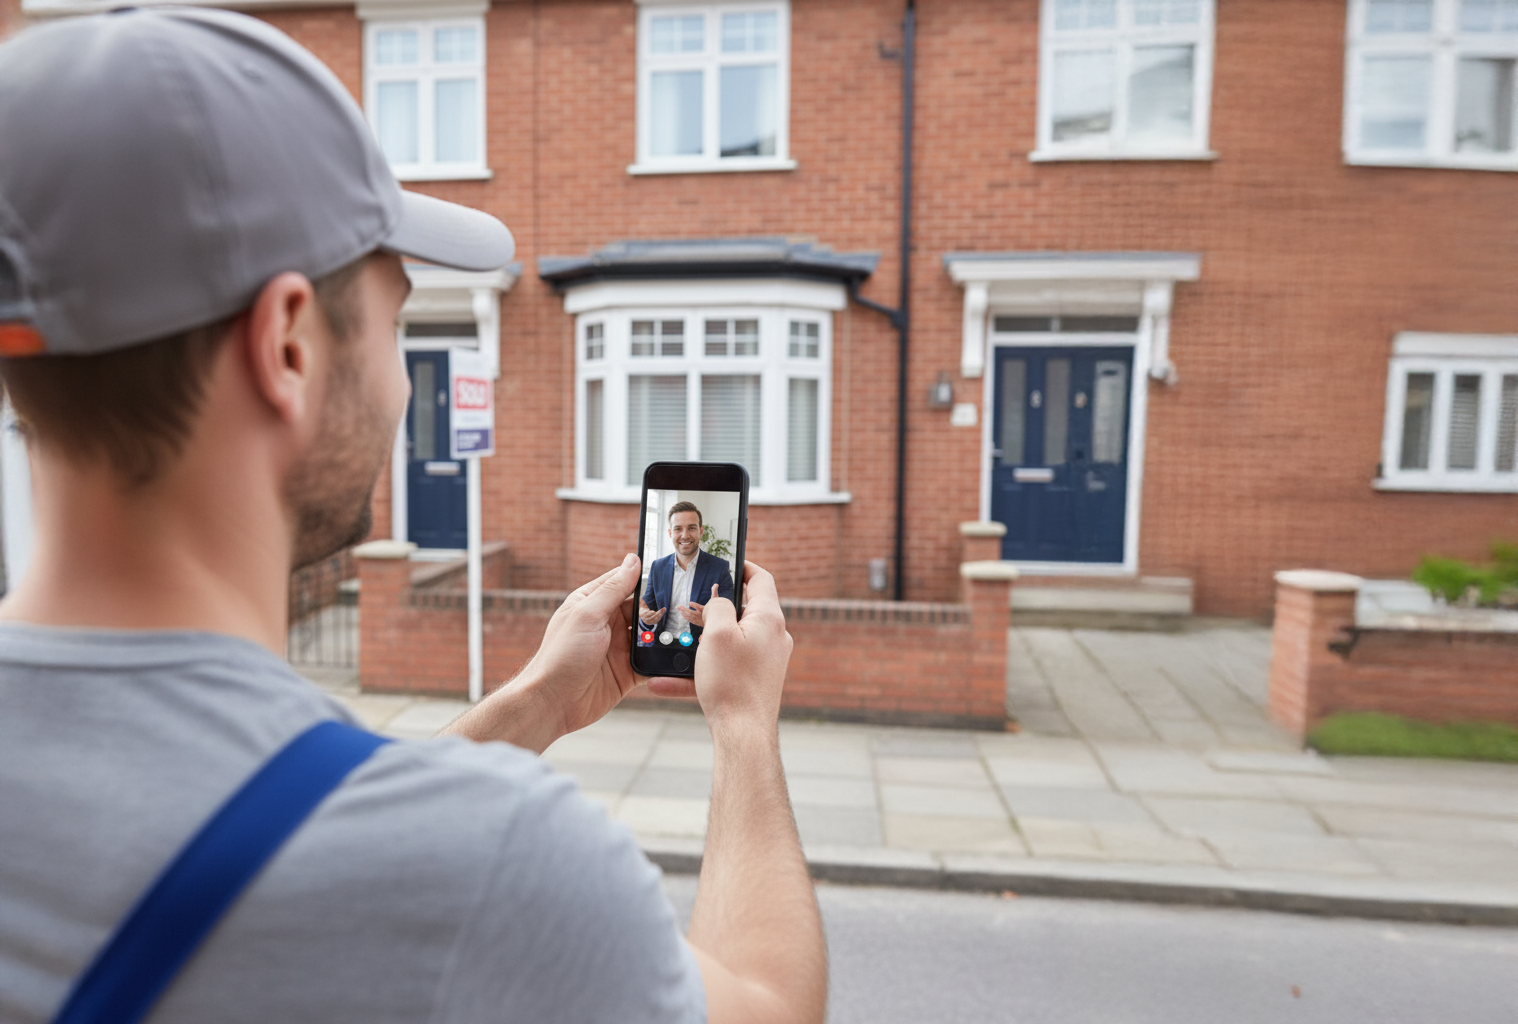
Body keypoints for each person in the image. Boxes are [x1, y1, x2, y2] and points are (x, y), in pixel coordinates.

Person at [0, 10, 825, 1024]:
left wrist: (538, 702)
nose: (401, 382)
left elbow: (316, 819)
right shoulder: (498, 866)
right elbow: (772, 1006)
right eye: (395, 320)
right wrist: (744, 725)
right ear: (289, 345)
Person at [638, 501, 736, 647]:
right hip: (663, 645)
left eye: (691, 528)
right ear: (670, 533)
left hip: (702, 648)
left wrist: (709, 621)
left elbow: (730, 613)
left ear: (700, 531)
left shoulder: (719, 567)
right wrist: (643, 613)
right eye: (678, 529)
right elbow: (647, 604)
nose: (685, 535)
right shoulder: (657, 567)